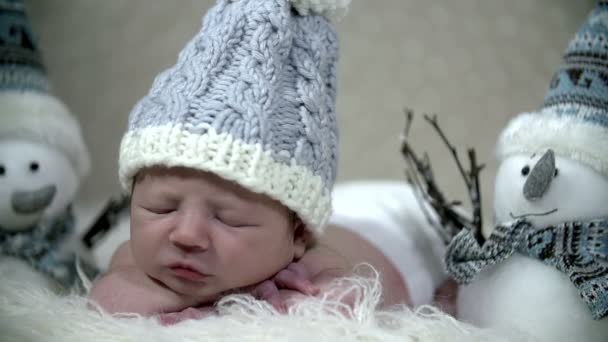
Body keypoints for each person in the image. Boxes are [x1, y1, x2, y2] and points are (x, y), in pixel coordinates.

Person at [90, 0, 349, 322]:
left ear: (298, 236)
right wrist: (226, 297)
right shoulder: (133, 259)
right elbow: (105, 299)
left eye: (229, 219)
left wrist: (282, 296)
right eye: (162, 208)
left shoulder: (315, 261)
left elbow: (346, 302)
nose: (186, 235)